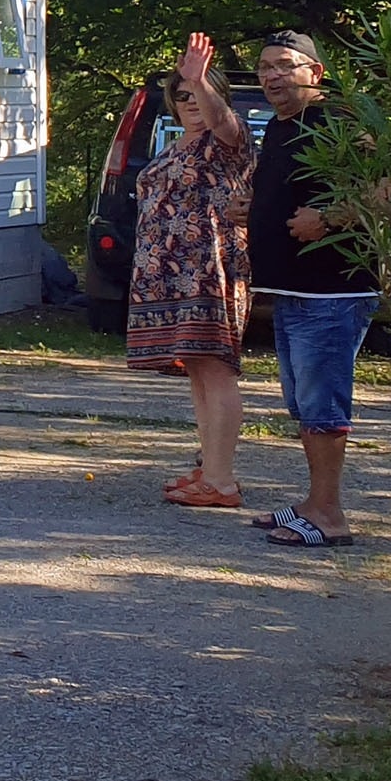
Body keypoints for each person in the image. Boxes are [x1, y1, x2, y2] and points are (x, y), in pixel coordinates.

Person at [244, 29, 377, 547]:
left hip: (332, 288)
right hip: (290, 289)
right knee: (304, 404)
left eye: (284, 65)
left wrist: (329, 218)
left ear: (314, 72)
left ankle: (329, 516)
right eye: (265, 68)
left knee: (323, 406)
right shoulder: (280, 128)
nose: (272, 76)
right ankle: (311, 503)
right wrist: (251, 209)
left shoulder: (340, 121)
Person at [127, 32, 257, 508]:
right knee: (198, 371)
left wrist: (200, 80)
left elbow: (222, 121)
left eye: (201, 92)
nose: (193, 102)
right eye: (182, 96)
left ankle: (222, 480)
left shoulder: (227, 141)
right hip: (170, 277)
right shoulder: (176, 147)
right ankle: (210, 466)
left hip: (209, 270)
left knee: (216, 368)